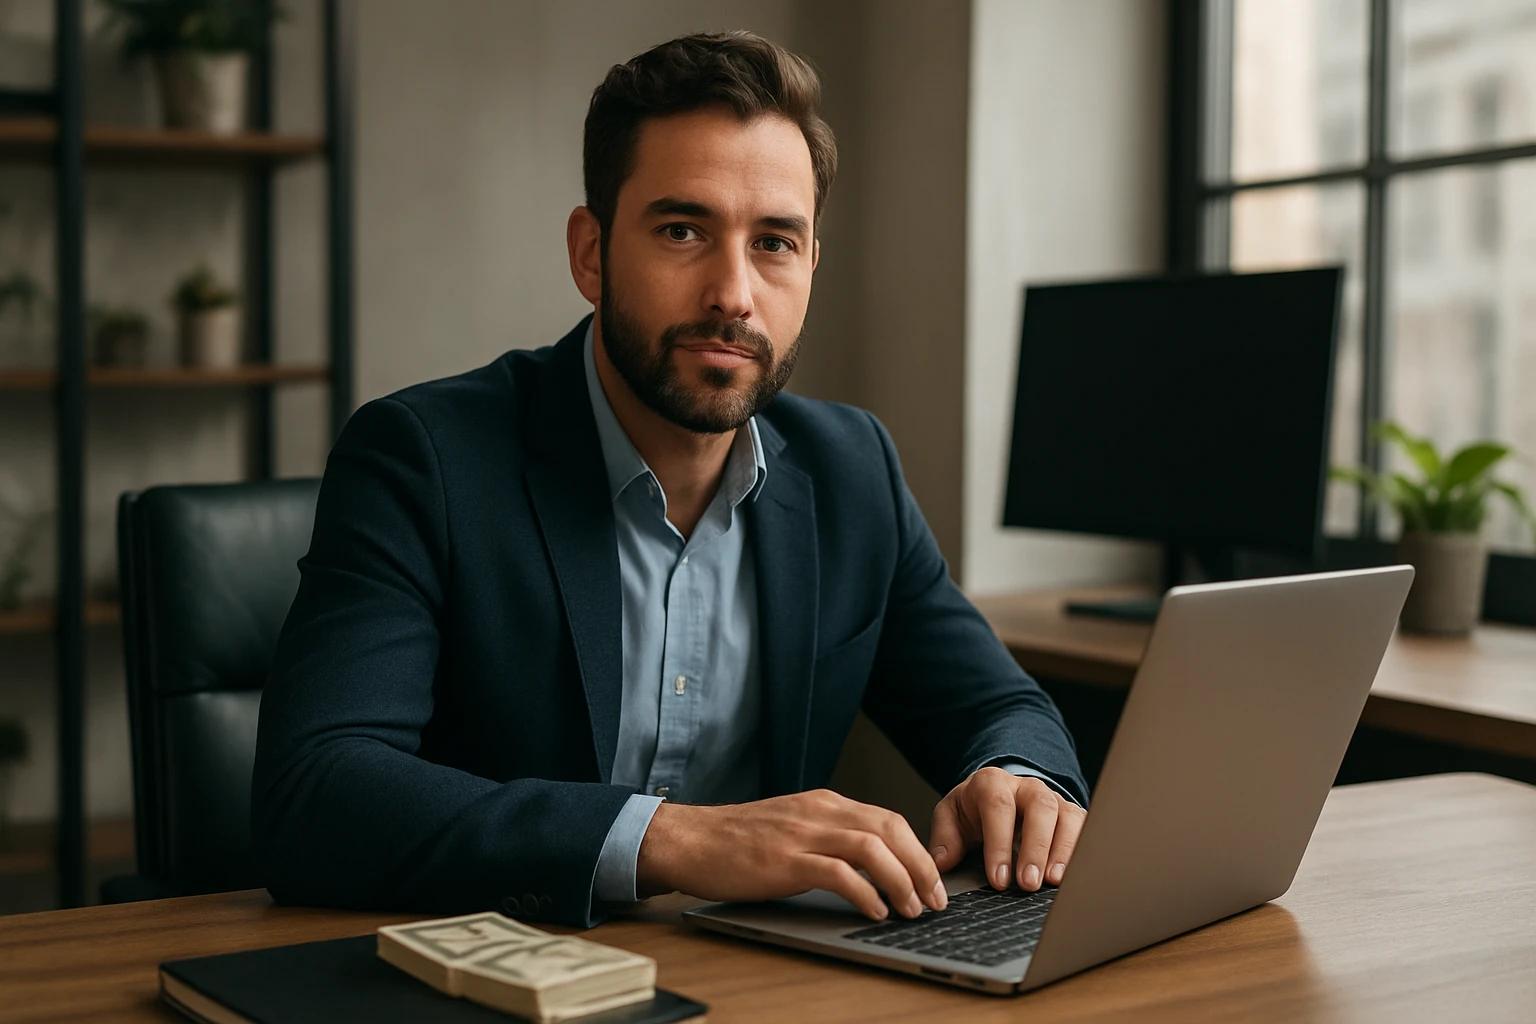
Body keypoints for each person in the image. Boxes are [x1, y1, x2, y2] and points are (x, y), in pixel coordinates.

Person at [252, 29, 1087, 930]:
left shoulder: (854, 471)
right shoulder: (422, 459)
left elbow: (1000, 705)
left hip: (759, 984)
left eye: (774, 242)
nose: (734, 292)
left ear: (810, 268)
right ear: (592, 253)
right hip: (497, 976)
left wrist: (1019, 779)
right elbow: (317, 791)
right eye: (683, 230)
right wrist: (674, 841)